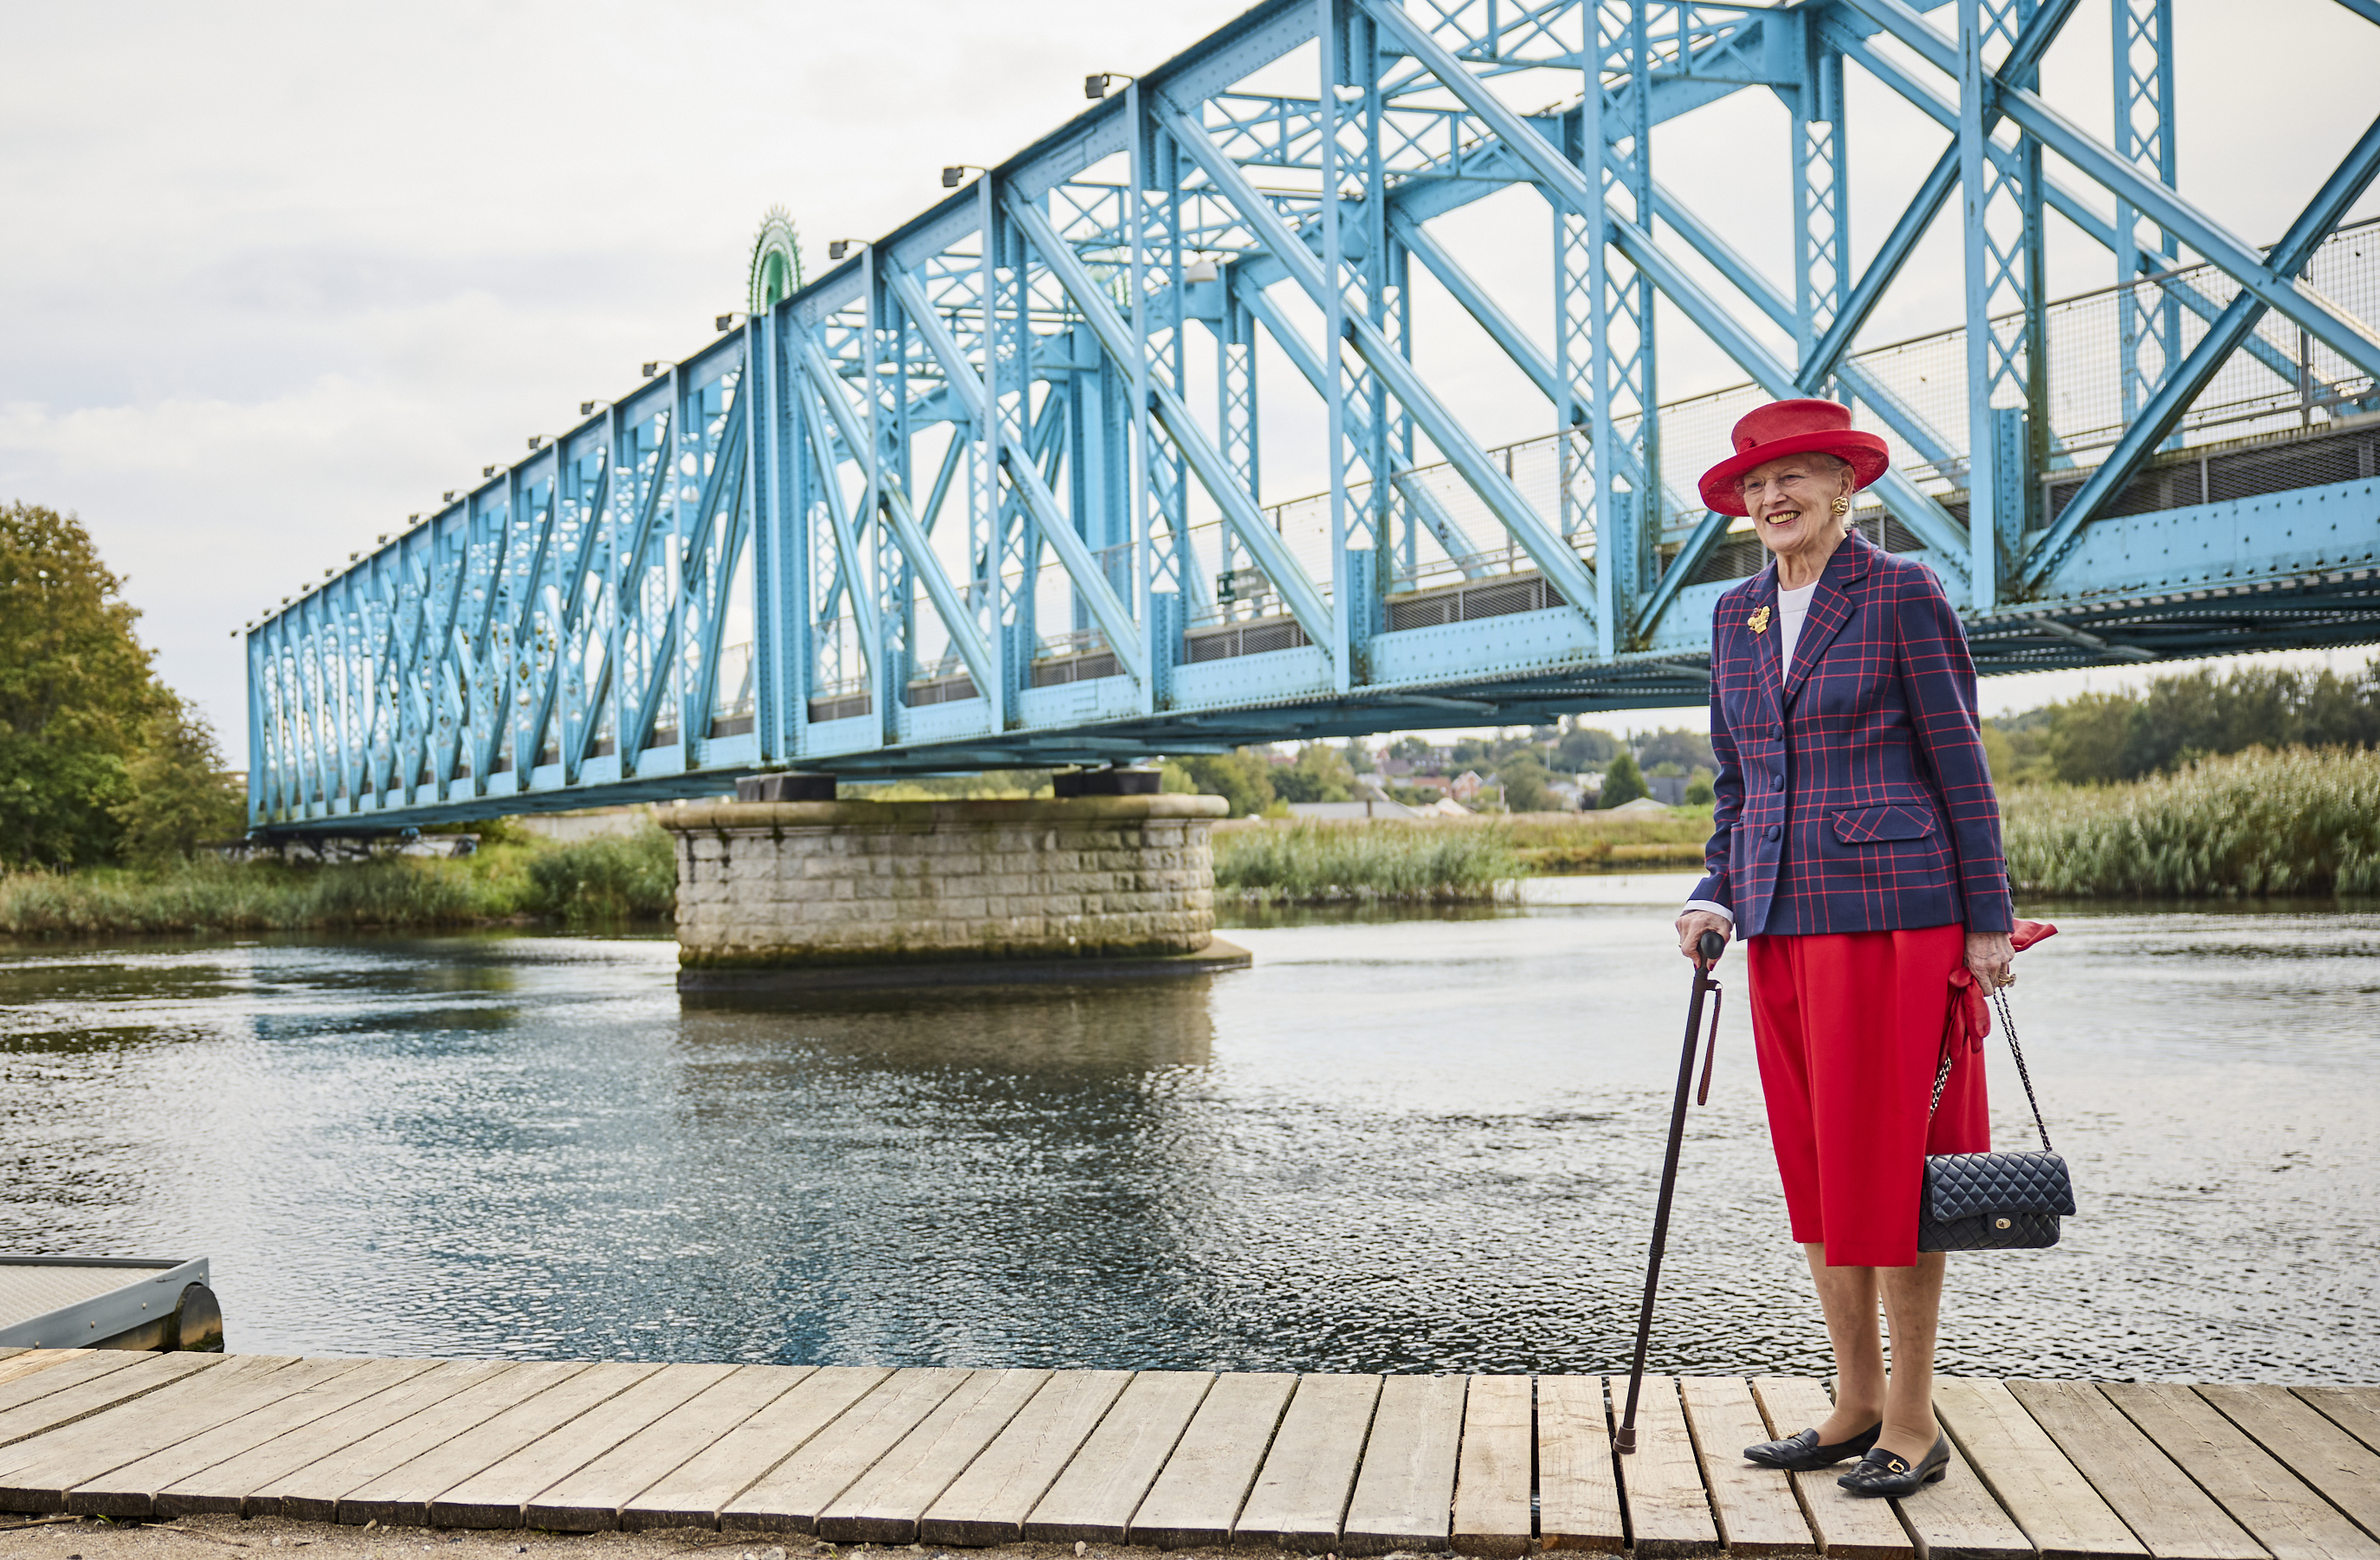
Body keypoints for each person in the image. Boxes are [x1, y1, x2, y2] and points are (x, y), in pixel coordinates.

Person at [1673, 398, 2016, 1499]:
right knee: (1820, 1170)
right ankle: (1854, 1401)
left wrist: (1987, 917)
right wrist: (1709, 893)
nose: (1775, 500)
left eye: (1799, 479)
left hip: (1895, 916)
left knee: (1898, 1168)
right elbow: (1739, 784)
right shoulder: (1735, 617)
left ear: (1845, 489)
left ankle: (1914, 1419)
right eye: (1758, 486)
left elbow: (1959, 760)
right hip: (1776, 919)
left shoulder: (1902, 591)